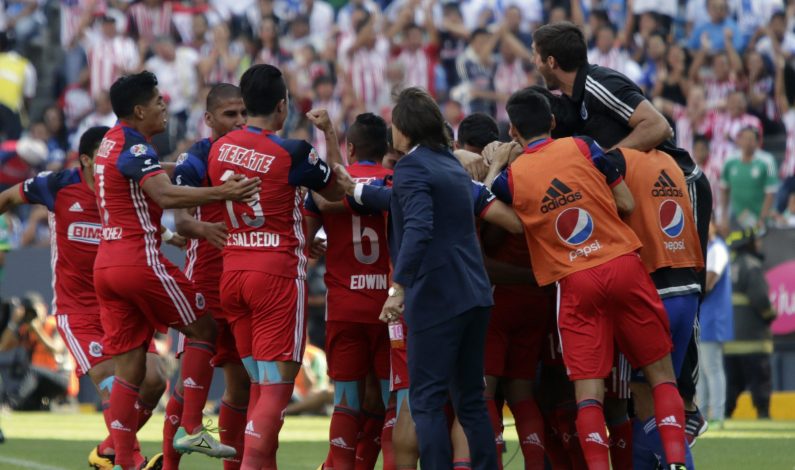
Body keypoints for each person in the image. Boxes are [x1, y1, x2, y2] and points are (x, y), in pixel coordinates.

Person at [488, 88, 688, 470]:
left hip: (575, 279)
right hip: (623, 265)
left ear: (513, 130)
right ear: (551, 122)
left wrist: (499, 164)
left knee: (588, 393)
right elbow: (627, 203)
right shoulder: (583, 146)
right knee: (660, 374)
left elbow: (493, 210)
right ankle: (676, 461)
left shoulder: (511, 179)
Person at [533, 21, 713, 439]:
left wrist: (606, 162)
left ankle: (687, 401)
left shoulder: (597, 83)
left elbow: (657, 127)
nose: (533, 61)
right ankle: (660, 403)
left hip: (678, 182)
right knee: (654, 297)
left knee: (685, 286)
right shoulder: (570, 104)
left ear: (551, 61)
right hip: (643, 190)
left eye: (534, 53)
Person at [94, 71, 259, 470]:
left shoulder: (111, 144)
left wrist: (186, 165)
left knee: (130, 364)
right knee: (204, 329)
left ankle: (123, 458)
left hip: (107, 264)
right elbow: (164, 194)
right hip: (139, 260)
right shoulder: (134, 147)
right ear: (139, 110)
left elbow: (149, 172)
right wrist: (224, 191)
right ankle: (191, 428)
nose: (164, 107)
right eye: (158, 102)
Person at [0, 126, 170, 470]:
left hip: (122, 305)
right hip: (79, 311)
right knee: (112, 385)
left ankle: (110, 448)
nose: (111, 166)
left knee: (154, 383)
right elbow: (7, 198)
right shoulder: (58, 185)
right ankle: (130, 460)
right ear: (87, 160)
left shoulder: (126, 186)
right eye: (103, 160)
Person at [206, 64, 345, 470]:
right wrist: (330, 137)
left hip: (232, 273)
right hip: (276, 277)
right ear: (282, 106)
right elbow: (338, 192)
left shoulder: (219, 147)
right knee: (276, 393)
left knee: (260, 389)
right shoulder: (293, 151)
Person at [372, 87, 497, 470]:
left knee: (425, 401)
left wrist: (399, 288)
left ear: (404, 129)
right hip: (475, 294)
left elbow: (420, 228)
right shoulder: (450, 166)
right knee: (472, 402)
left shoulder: (410, 168)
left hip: (437, 297)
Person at [165, 83, 251, 470]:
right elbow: (181, 221)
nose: (239, 121)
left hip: (247, 282)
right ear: (210, 119)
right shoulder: (196, 157)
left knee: (241, 385)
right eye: (230, 114)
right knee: (186, 386)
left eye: (243, 113)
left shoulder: (258, 154)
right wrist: (206, 230)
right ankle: (170, 465)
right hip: (205, 279)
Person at [604, 147, 704, 469]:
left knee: (643, 396)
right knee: (663, 388)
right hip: (687, 287)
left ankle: (680, 463)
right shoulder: (676, 165)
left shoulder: (621, 159)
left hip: (652, 290)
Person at [304, 113, 393, 470]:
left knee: (346, 403)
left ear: (351, 148)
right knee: (392, 404)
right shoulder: (395, 181)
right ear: (386, 149)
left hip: (344, 308)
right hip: (391, 308)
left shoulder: (326, 192)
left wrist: (313, 244)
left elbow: (305, 241)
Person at [724, 228, 776, 420]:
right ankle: (763, 414)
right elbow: (761, 299)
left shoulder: (726, 266)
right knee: (760, 383)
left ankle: (725, 415)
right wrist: (770, 315)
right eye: (757, 241)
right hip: (754, 340)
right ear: (749, 243)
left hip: (729, 342)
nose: (759, 244)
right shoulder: (752, 266)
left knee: (732, 384)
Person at [697, 223, 733, 429]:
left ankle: (717, 413)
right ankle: (703, 412)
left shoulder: (717, 248)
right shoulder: (711, 248)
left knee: (712, 367)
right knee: (703, 369)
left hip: (713, 316)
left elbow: (710, 280)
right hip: (707, 316)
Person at [720, 126, 779, 232]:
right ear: (738, 140)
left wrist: (762, 219)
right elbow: (724, 189)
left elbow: (770, 193)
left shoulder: (768, 161)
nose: (747, 142)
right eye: (744, 138)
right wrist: (724, 216)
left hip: (759, 218)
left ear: (757, 142)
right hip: (736, 217)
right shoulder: (729, 161)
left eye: (751, 139)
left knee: (757, 245)